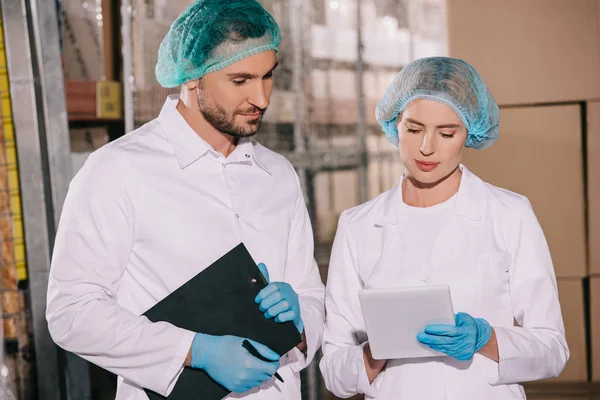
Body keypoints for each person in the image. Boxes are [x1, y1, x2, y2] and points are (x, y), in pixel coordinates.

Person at [46, 1, 325, 399]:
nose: (261, 98)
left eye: (268, 77)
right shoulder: (118, 170)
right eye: (240, 80)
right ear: (192, 76)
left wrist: (300, 323)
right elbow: (71, 312)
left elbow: (312, 295)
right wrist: (194, 350)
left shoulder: (277, 174)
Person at [319, 57, 569, 399]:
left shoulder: (509, 214)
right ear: (395, 124)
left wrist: (487, 338)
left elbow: (553, 350)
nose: (426, 147)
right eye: (414, 128)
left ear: (469, 133)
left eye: (447, 133)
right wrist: (378, 350)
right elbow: (334, 373)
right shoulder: (358, 226)